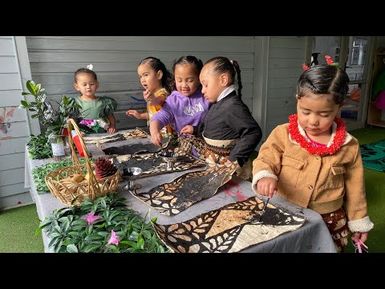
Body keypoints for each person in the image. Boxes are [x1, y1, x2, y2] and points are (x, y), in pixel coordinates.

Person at [252, 64, 374, 252]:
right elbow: (265, 158)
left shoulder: (349, 145)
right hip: (286, 210)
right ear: (297, 101)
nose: (313, 121)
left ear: (339, 107)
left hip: (329, 219)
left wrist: (358, 221)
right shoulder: (283, 134)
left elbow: (356, 188)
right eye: (305, 111)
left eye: (324, 114)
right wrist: (265, 175)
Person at [197, 56, 262, 180]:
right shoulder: (219, 104)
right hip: (215, 165)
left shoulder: (232, 106)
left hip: (230, 170)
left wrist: (233, 161)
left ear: (223, 79)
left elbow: (253, 132)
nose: (202, 91)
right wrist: (195, 129)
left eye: (205, 85)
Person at [150, 55, 210, 146]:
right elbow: (159, 118)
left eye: (189, 80)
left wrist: (196, 129)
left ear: (199, 79)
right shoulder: (173, 100)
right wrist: (155, 132)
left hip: (209, 145)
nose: (184, 85)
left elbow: (218, 119)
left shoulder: (206, 95)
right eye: (179, 80)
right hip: (186, 147)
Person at [126, 57, 174, 136]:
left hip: (166, 135)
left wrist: (152, 99)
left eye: (146, 75)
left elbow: (159, 101)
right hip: (156, 135)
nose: (142, 80)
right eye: (140, 76)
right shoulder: (152, 95)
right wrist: (140, 116)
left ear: (159, 75)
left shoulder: (164, 93)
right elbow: (153, 114)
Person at [73, 66, 117, 134]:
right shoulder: (75, 103)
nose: (88, 87)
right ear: (77, 87)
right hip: (84, 135)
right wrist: (76, 131)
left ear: (97, 84)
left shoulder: (104, 102)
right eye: (84, 84)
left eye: (91, 84)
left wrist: (112, 126)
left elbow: (110, 117)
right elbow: (73, 121)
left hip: (102, 134)